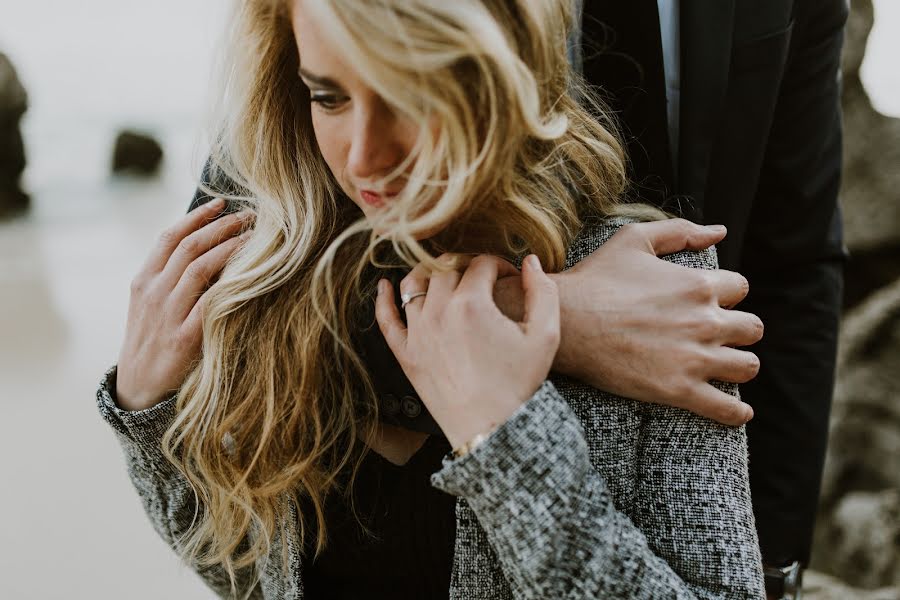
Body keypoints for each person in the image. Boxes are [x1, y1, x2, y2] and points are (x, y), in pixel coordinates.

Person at [98, 0, 766, 598]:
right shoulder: (273, 279)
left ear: (502, 79)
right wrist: (148, 415)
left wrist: (509, 440)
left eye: (405, 95)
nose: (363, 156)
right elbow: (238, 576)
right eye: (329, 97)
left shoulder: (655, 289)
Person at [572, 2, 847, 597]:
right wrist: (556, 318)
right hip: (447, 477)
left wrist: (770, 560)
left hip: (704, 490)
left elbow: (794, 263)